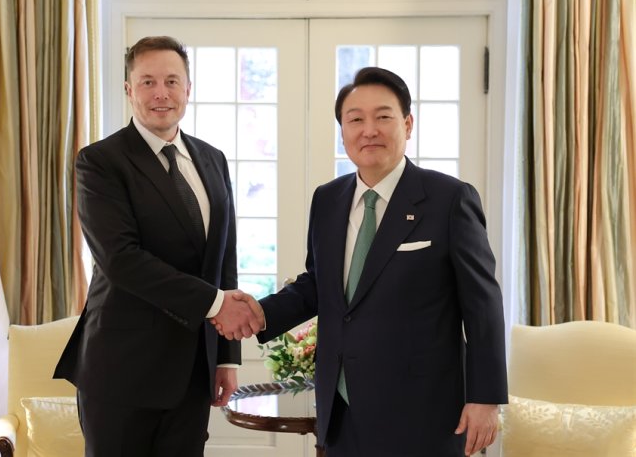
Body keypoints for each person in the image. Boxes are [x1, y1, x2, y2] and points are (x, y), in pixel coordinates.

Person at [216, 66, 508, 456]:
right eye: (355, 119)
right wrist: (260, 314)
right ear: (343, 132)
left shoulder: (449, 199)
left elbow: (482, 304)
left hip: (424, 411)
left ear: (408, 124)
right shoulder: (327, 200)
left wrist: (486, 398)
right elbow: (319, 285)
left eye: (383, 117)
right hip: (341, 408)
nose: (369, 129)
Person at [54, 35, 262, 457]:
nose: (160, 93)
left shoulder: (213, 159)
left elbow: (223, 260)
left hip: (192, 371)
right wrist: (217, 304)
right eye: (147, 81)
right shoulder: (100, 162)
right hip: (120, 369)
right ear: (129, 90)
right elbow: (121, 260)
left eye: (171, 80)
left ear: (189, 89)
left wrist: (226, 357)